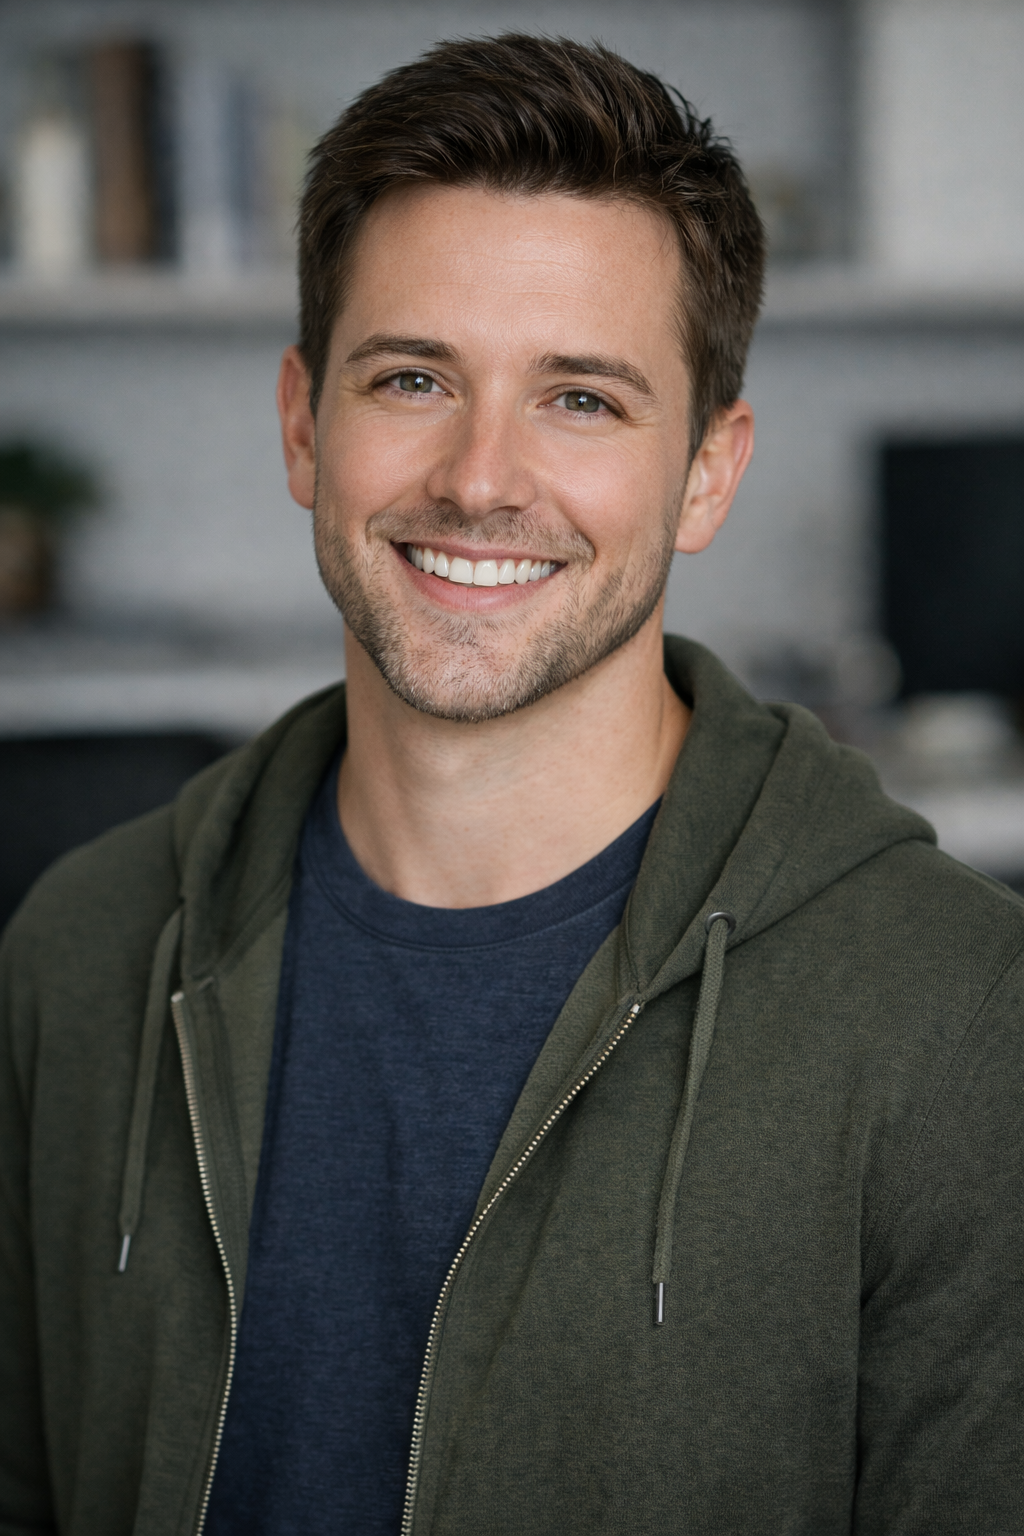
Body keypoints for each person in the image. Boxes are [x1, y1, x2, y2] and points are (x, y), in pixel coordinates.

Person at [1, 33, 1020, 1536]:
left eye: (583, 399)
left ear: (708, 472)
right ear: (302, 420)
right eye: (413, 378)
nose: (481, 478)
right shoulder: (78, 951)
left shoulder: (959, 1013)